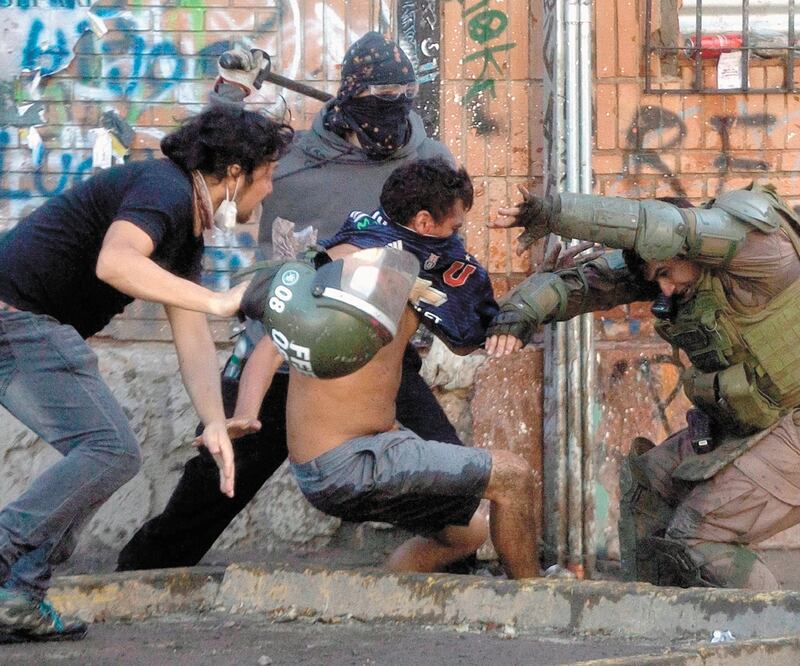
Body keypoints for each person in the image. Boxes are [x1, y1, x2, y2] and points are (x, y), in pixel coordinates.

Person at [117, 32, 470, 572]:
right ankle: (137, 580)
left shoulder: (429, 160)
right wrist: (229, 92)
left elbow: (451, 244)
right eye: (377, 102)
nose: (389, 117)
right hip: (279, 347)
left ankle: (453, 580)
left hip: (374, 359)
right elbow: (216, 157)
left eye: (401, 100)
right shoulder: (291, 163)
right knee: (216, 483)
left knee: (454, 491)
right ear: (349, 99)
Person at [0, 104, 292, 642]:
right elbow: (115, 263)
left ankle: (18, 595)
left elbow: (191, 335)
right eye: (268, 174)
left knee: (102, 453)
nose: (270, 189)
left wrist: (213, 421)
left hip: (19, 324)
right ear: (234, 173)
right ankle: (10, 563)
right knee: (109, 450)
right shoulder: (165, 189)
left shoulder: (186, 223)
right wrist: (219, 300)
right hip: (16, 321)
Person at [204, 158, 538, 578]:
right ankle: (541, 604)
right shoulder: (363, 272)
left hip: (369, 450)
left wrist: (539, 288)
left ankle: (384, 600)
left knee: (466, 532)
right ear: (423, 222)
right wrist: (246, 415)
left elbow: (472, 340)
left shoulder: (394, 259)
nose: (457, 239)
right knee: (513, 476)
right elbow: (272, 345)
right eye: (454, 228)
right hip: (348, 463)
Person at [486, 182, 800, 589]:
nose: (665, 288)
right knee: (647, 484)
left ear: (689, 248)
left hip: (790, 429)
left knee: (700, 535)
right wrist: (516, 315)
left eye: (667, 273)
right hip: (758, 423)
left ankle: (770, 639)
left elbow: (664, 226)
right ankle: (658, 616)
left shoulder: (760, 250)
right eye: (657, 279)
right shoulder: (683, 272)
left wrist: (553, 212)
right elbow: (582, 283)